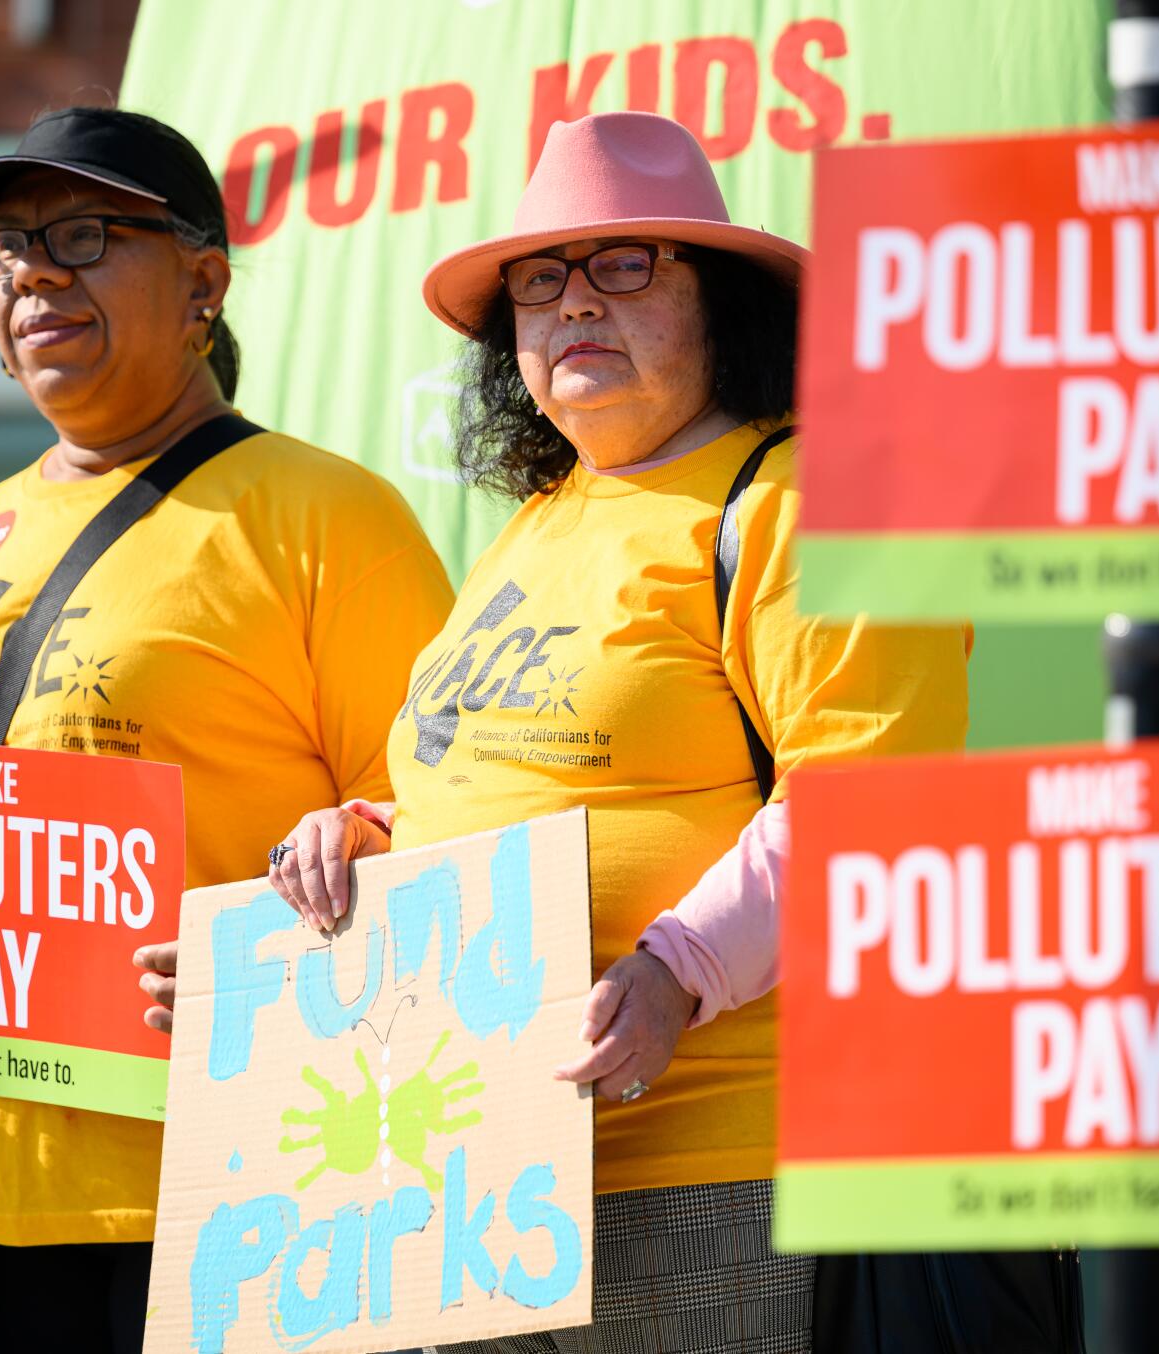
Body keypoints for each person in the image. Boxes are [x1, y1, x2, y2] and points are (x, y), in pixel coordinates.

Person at [0, 107, 454, 1353]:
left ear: (203, 281)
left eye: (85, 233)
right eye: (5, 248)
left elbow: (450, 835)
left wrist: (274, 944)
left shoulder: (328, 518)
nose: (35, 271)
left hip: (249, 1202)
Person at [261, 112, 979, 1352]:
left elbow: (876, 807)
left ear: (726, 305)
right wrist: (359, 836)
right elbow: (476, 783)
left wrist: (677, 968)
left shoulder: (820, 496)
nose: (573, 303)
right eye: (540, 281)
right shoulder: (538, 521)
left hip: (714, 1176)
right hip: (464, 1182)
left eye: (625, 264)